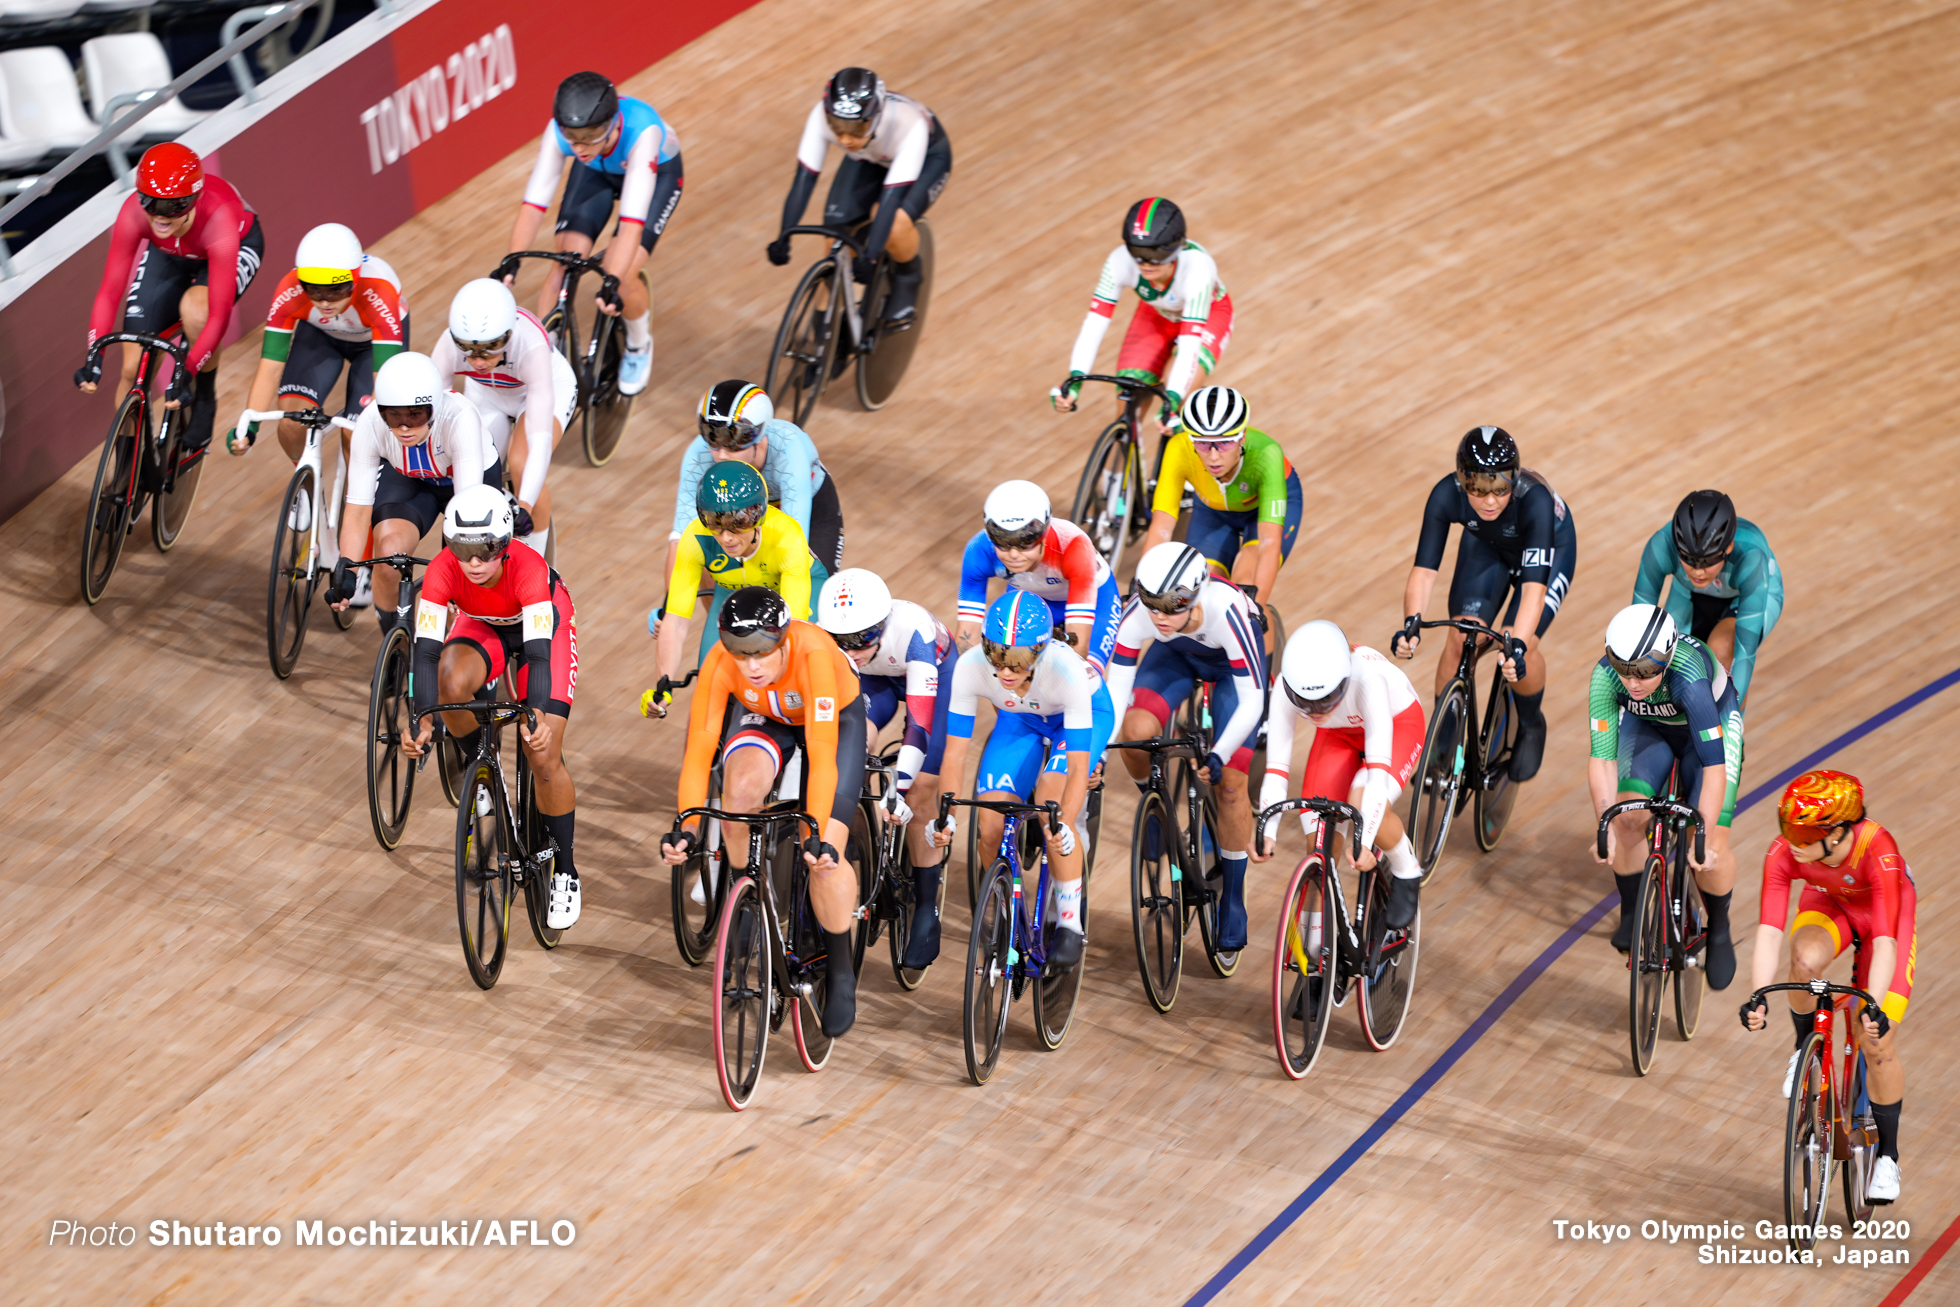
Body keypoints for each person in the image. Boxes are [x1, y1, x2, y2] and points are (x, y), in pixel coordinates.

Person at [655, 587, 866, 1036]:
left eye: (761, 652)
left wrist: (817, 834)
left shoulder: (812, 656)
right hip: (765, 715)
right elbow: (698, 751)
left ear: (784, 639)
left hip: (833, 722)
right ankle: (744, 893)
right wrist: (688, 828)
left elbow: (823, 754)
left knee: (826, 858)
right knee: (737, 794)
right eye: (738, 651)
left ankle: (841, 965)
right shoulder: (721, 663)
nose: (750, 665)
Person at [400, 485, 582, 928]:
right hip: (484, 625)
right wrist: (420, 719)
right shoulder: (445, 571)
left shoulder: (529, 570)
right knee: (448, 679)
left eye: (486, 551)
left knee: (543, 752)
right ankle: (481, 765)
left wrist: (535, 714)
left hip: (542, 629)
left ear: (504, 545)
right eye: (463, 550)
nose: (475, 563)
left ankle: (566, 871)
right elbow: (424, 653)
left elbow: (538, 656)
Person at [1740, 771, 1914, 1204]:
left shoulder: (1880, 852)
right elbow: (1768, 931)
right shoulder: (1785, 852)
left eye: (1801, 831)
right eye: (1786, 827)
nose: (1790, 840)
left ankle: (1888, 1157)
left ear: (1837, 833)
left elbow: (1888, 942)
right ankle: (1805, 1049)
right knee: (1803, 962)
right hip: (1829, 905)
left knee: (1876, 1042)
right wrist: (1758, 995)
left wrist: (1873, 1006)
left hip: (1883, 923)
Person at [929, 591, 1115, 970]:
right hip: (1021, 717)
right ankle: (1000, 904)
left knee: (1052, 809)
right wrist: (945, 812)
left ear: (1042, 650)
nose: (1006, 670)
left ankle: (1068, 922)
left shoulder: (1067, 671)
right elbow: (955, 753)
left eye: (1019, 659)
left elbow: (1078, 768)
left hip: (1078, 716)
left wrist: (1066, 821)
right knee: (989, 825)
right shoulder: (971, 667)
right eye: (997, 656)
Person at [228, 223, 408, 606]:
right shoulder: (291, 290)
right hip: (320, 339)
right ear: (301, 281)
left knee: (358, 437)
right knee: (293, 418)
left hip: (372, 347)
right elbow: (270, 367)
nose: (325, 301)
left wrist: (365, 426)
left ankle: (358, 560)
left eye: (337, 290)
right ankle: (305, 483)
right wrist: (252, 423)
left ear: (355, 281)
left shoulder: (379, 293)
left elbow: (383, 391)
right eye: (315, 289)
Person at [1103, 543, 1268, 951]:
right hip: (1176, 657)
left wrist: (1219, 753)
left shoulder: (1228, 611)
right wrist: (1099, 754)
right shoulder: (1143, 617)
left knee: (1229, 783)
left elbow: (1253, 701)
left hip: (1231, 674)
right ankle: (1154, 805)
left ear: (1196, 593)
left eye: (1172, 606)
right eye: (1151, 604)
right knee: (1136, 730)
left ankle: (1232, 893)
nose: (1159, 616)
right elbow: (1115, 690)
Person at [1391, 425, 1577, 783]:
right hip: (1487, 547)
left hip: (1549, 553)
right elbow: (1424, 572)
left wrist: (1518, 645)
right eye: (1478, 488)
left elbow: (1534, 590)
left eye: (1500, 488)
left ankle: (1531, 721)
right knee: (1462, 637)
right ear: (1462, 481)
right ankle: (1443, 737)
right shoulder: (1445, 494)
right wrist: (1412, 622)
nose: (1490, 500)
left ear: (1514, 479)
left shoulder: (1534, 499)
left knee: (1515, 641)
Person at [1587, 603, 1743, 986]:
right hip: (1649, 727)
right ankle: (1633, 911)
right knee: (1625, 818)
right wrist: (1604, 823)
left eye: (1644, 672)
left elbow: (1713, 766)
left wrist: (1704, 833)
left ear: (1667, 658)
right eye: (1624, 668)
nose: (1632, 682)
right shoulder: (1605, 678)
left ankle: (1719, 927)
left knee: (1706, 846)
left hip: (1706, 736)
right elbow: (1602, 760)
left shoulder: (1689, 677)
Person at [77, 142, 265, 457]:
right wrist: (94, 355)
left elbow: (218, 317)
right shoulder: (135, 213)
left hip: (230, 244)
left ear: (194, 200)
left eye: (173, 206)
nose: (160, 217)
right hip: (170, 253)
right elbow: (110, 291)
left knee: (196, 310)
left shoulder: (219, 219)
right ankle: (126, 460)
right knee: (132, 368)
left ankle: (205, 397)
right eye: (150, 203)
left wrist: (188, 372)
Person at [509, 71, 683, 396]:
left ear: (613, 123)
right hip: (597, 173)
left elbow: (631, 221)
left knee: (624, 270)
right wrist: (511, 261)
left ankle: (638, 344)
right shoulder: (568, 138)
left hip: (655, 175)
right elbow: (534, 203)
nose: (580, 145)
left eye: (590, 135)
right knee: (564, 262)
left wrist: (613, 279)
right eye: (572, 137)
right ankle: (545, 355)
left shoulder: (642, 130)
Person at [816, 568, 955, 968]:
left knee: (921, 789)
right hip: (874, 682)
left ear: (882, 625)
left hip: (930, 676)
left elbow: (920, 727)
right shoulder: (846, 649)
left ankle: (926, 907)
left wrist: (900, 786)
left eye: (862, 638)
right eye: (841, 642)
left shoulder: (913, 634)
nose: (853, 649)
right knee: (852, 746)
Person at [1256, 621, 1426, 939]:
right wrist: (1269, 829)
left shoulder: (1368, 680)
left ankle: (1406, 867)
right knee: (1319, 849)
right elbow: (1276, 770)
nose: (1316, 711)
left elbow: (1376, 777)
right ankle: (1315, 955)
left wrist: (1364, 839)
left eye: (1326, 700)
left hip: (1397, 724)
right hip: (1339, 736)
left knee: (1361, 800)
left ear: (1344, 680)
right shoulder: (1284, 687)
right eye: (1305, 704)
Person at [329, 352, 500, 633]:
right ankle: (395, 650)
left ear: (434, 407)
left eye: (415, 415)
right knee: (387, 558)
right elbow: (358, 510)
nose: (405, 427)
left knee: (468, 577)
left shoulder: (459, 417)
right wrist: (347, 572)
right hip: (412, 480)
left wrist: (456, 574)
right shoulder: (370, 423)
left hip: (467, 488)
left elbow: (466, 513)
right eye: (394, 416)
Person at [767, 68, 951, 322]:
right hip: (869, 156)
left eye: (856, 128)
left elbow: (890, 200)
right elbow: (803, 182)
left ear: (875, 118)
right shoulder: (822, 118)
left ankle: (909, 276)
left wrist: (871, 257)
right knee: (835, 243)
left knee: (891, 223)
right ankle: (822, 329)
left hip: (927, 159)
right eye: (838, 127)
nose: (845, 138)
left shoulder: (909, 127)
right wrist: (784, 235)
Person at [645, 461, 827, 708]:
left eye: (738, 523)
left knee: (794, 669)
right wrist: (663, 686)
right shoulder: (695, 539)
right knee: (710, 683)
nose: (726, 537)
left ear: (758, 514)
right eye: (714, 523)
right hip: (732, 591)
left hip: (788, 587)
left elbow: (793, 627)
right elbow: (675, 622)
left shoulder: (786, 537)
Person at [1052, 198, 1230, 434]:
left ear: (1177, 248)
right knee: (1127, 402)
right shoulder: (1119, 261)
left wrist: (1173, 402)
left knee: (1175, 393)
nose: (1146, 264)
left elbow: (1189, 348)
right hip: (1156, 316)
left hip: (1208, 317)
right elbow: (1094, 323)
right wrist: (1075, 379)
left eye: (1156, 255)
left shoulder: (1197, 271)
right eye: (1138, 253)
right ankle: (1117, 468)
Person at [430, 278, 573, 555]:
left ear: (508, 335)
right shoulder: (448, 344)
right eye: (468, 350)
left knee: (521, 462)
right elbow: (435, 408)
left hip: (543, 389)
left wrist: (525, 508)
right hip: (487, 394)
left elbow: (540, 442)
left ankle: (540, 562)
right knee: (471, 464)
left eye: (489, 347)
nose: (479, 360)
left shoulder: (530, 346)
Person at [1139, 385, 1301, 616]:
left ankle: (1261, 651)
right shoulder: (1178, 449)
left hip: (1260, 513)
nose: (1213, 456)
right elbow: (1162, 529)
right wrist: (1141, 590)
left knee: (1243, 594)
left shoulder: (1267, 454)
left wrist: (1256, 609)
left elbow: (1269, 543)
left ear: (1242, 436)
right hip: (1213, 510)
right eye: (1203, 444)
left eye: (1224, 443)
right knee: (1198, 593)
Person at [668, 380, 843, 581]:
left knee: (810, 589)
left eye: (732, 445)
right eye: (713, 440)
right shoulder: (699, 454)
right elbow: (679, 542)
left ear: (758, 438)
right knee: (697, 557)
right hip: (740, 518)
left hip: (810, 515)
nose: (722, 455)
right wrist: (668, 607)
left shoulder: (790, 449)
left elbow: (793, 544)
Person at [1632, 490, 1782, 707]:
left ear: (1728, 547)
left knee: (1722, 651)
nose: (1698, 572)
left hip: (1745, 598)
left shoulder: (1750, 557)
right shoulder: (1661, 545)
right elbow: (1638, 627)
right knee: (1669, 658)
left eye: (1708, 560)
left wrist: (1730, 722)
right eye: (1688, 559)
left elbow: (1744, 654)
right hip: (1689, 593)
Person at [957, 480, 1120, 672]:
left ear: (1044, 532)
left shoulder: (1073, 546)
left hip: (1097, 599)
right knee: (1008, 669)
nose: (1014, 554)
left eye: (1026, 541)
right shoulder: (979, 550)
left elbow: (1079, 648)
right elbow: (967, 637)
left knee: (1081, 675)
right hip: (1031, 596)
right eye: (1002, 541)